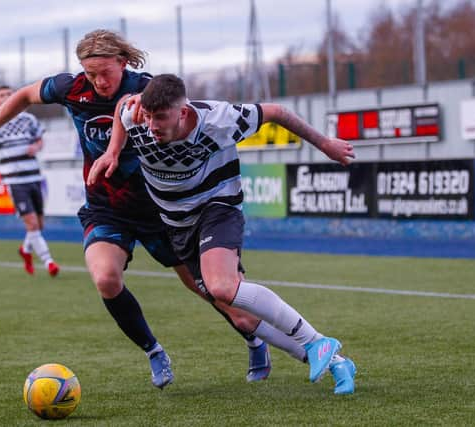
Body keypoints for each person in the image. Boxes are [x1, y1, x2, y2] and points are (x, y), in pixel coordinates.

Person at [0, 30, 289, 389]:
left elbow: (187, 124)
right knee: (105, 278)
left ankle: (254, 340)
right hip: (106, 208)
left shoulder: (147, 91)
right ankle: (153, 351)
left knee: (209, 289)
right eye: (90, 73)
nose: (98, 81)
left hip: (162, 209)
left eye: (106, 73)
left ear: (123, 62)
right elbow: (23, 95)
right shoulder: (71, 88)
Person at [88, 73, 358, 394]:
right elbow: (122, 108)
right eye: (148, 117)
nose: (152, 126)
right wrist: (113, 151)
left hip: (218, 207)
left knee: (222, 286)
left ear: (183, 112)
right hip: (178, 224)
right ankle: (337, 362)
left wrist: (325, 144)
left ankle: (316, 341)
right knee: (240, 316)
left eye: (160, 118)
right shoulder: (137, 116)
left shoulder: (220, 119)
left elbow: (276, 112)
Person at [0, 85, 59, 277]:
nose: (7, 97)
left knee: (39, 225)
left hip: (34, 176)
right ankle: (49, 262)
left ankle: (25, 250)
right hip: (15, 180)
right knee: (32, 224)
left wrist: (36, 146)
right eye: (2, 95)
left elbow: (40, 140)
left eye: (9, 94)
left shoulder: (29, 119)